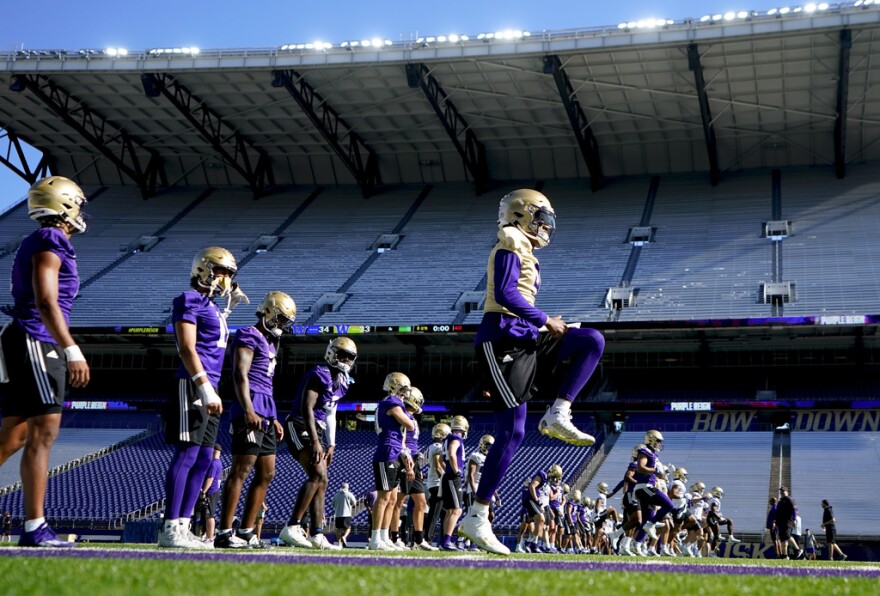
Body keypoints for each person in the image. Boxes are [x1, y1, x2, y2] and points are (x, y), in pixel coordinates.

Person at [461, 189, 606, 556]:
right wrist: (545, 321)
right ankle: (477, 515)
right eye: (540, 217)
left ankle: (559, 411)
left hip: (525, 337)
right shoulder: (510, 238)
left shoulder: (525, 249)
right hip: (501, 339)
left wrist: (543, 327)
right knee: (512, 430)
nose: (545, 226)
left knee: (590, 340)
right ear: (520, 215)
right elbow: (508, 296)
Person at [0, 177, 90, 548]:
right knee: (44, 431)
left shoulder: (42, 240)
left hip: (27, 337)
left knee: (15, 435)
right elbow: (47, 300)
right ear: (65, 204)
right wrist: (71, 348)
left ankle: (35, 526)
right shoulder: (52, 239)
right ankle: (35, 527)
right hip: (38, 338)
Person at [159, 246, 247, 549]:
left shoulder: (210, 306)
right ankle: (170, 526)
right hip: (194, 384)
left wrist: (226, 311)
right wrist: (205, 386)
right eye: (221, 272)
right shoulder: (189, 299)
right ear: (204, 269)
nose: (225, 279)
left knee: (206, 458)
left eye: (229, 274)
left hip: (210, 386)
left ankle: (184, 526)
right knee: (187, 453)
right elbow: (187, 348)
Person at [215, 291, 295, 549]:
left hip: (266, 410)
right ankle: (225, 532)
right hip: (249, 406)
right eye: (281, 319)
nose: (282, 325)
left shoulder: (271, 342)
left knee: (267, 472)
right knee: (242, 468)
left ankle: (247, 530)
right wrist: (248, 409)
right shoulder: (250, 334)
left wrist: (273, 417)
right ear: (270, 312)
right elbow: (241, 374)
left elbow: (267, 382)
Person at [279, 337, 356, 550]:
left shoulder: (342, 382)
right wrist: (315, 441)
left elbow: (331, 412)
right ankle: (292, 526)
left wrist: (331, 444)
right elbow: (307, 408)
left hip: (317, 430)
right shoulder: (319, 374)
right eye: (342, 354)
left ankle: (316, 533)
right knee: (318, 475)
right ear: (331, 353)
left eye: (350, 357)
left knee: (323, 480)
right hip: (299, 424)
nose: (346, 360)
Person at [368, 372, 415, 551]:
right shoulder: (391, 402)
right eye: (403, 390)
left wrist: (404, 454)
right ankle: (375, 538)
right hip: (387, 449)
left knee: (393, 498)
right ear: (394, 386)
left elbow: (405, 431)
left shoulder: (397, 403)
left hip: (395, 450)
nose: (405, 394)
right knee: (384, 497)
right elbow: (409, 425)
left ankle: (384, 536)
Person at [391, 387, 437, 550]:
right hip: (406, 460)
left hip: (414, 461)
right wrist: (408, 463)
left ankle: (418, 540)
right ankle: (395, 537)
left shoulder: (411, 417)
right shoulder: (402, 415)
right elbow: (403, 442)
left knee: (421, 501)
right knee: (399, 501)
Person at [439, 415, 469, 551]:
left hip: (448, 476)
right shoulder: (456, 438)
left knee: (450, 511)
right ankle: (447, 541)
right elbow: (451, 453)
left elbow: (440, 459)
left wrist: (448, 470)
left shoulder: (448, 438)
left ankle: (444, 541)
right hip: (452, 477)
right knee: (456, 510)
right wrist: (455, 471)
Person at [424, 423, 450, 544]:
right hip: (437, 483)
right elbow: (438, 466)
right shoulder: (437, 447)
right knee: (435, 513)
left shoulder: (433, 446)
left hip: (434, 482)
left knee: (444, 514)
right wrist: (446, 480)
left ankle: (443, 540)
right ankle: (426, 538)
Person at [199, 444, 223, 542]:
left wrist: (203, 491)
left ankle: (210, 537)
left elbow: (210, 479)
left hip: (211, 491)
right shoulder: (219, 463)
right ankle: (208, 535)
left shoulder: (214, 464)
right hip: (214, 491)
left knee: (209, 515)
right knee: (208, 514)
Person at [775, 486, 798, 559]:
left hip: (788, 521)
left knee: (787, 535)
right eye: (781, 491)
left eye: (783, 491)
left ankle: (797, 549)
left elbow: (794, 510)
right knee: (783, 539)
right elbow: (778, 512)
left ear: (787, 492)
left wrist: (794, 519)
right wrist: (776, 522)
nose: (782, 493)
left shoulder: (789, 499)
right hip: (781, 522)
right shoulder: (780, 501)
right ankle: (785, 555)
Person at [332, 483, 357, 547]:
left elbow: (333, 504)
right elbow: (354, 503)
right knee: (348, 528)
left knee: (338, 529)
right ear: (347, 488)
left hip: (338, 514)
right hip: (346, 514)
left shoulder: (336, 495)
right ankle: (344, 537)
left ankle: (339, 543)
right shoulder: (349, 494)